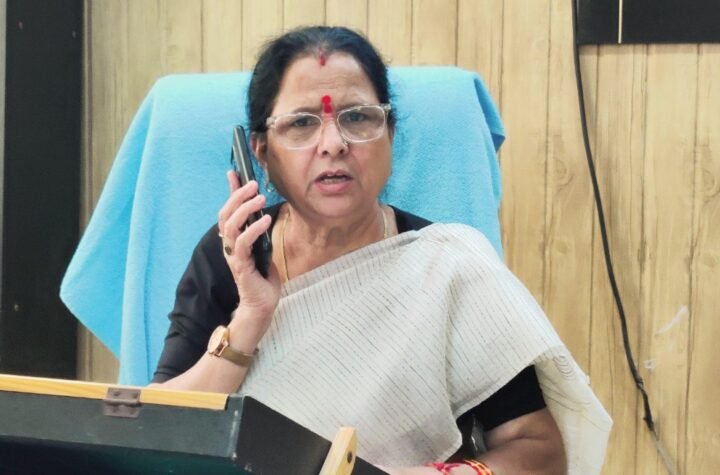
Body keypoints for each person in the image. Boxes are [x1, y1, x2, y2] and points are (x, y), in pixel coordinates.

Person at [150, 26, 607, 475]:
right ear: (261, 152)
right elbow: (158, 435)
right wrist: (251, 316)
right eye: (302, 123)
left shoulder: (447, 267)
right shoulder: (233, 256)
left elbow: (540, 452)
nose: (333, 144)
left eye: (357, 118)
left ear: (390, 134)